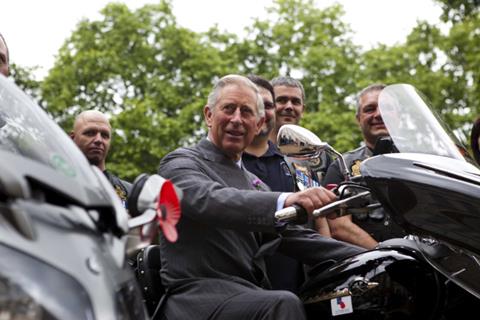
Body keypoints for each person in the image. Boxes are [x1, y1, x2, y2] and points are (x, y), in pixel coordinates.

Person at [158, 74, 363, 320]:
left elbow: (297, 237)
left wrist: (375, 255)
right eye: (228, 108)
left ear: (258, 125)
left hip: (247, 295)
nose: (236, 119)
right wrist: (286, 200)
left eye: (246, 112)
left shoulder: (255, 184)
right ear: (208, 115)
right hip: (197, 296)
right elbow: (209, 200)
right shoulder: (180, 163)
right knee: (282, 303)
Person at [322, 83, 405, 249]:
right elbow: (337, 225)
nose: (379, 114)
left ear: (399, 116)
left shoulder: (421, 161)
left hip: (426, 263)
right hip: (366, 266)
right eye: (369, 109)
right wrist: (385, 255)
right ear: (358, 119)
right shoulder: (341, 166)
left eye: (386, 108)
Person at [70, 110, 131, 207]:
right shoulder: (53, 182)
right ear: (72, 138)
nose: (99, 140)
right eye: (90, 133)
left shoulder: (129, 192)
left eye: (105, 135)